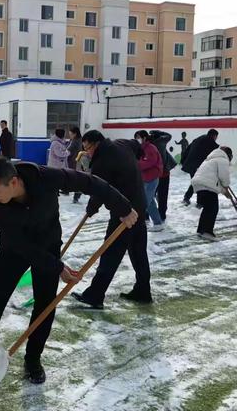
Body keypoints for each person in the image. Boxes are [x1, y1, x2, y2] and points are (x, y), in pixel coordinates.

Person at [0, 155, 137, 384]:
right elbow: (23, 247)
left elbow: (90, 183)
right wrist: (58, 267)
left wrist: (123, 207)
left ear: (14, 182)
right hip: (14, 250)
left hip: (48, 244)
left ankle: (33, 359)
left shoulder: (47, 177)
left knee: (45, 303)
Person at [72, 131, 152, 309]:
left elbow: (100, 190)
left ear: (97, 143)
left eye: (89, 148)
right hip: (139, 205)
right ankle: (143, 290)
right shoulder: (122, 143)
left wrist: (91, 208)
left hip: (124, 213)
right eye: (84, 149)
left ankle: (95, 295)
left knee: (110, 253)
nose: (88, 152)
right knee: (138, 252)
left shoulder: (102, 161)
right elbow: (137, 146)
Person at [191, 146, 233, 241]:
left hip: (199, 184)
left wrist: (225, 192)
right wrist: (226, 186)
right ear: (228, 155)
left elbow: (215, 180)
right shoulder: (222, 160)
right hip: (207, 185)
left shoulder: (210, 159)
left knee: (207, 208)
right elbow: (223, 177)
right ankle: (207, 232)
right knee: (212, 209)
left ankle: (201, 230)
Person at [134, 130, 164, 232]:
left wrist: (135, 164)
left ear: (144, 137)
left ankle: (137, 223)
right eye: (136, 137)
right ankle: (158, 223)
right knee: (149, 202)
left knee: (144, 201)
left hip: (152, 178)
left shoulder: (150, 148)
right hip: (145, 178)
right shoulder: (141, 148)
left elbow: (149, 162)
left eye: (138, 137)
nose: (137, 139)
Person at [181, 129, 219, 206]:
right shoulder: (209, 141)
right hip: (196, 166)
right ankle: (199, 202)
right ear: (214, 136)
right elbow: (215, 150)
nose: (216, 139)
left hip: (190, 164)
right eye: (216, 137)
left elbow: (188, 149)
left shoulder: (199, 138)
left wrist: (183, 161)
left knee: (195, 182)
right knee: (199, 183)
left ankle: (187, 198)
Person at [149, 130, 176, 222]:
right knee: (163, 194)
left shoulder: (150, 144)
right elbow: (169, 135)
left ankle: (147, 214)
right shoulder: (162, 141)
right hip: (164, 173)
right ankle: (162, 214)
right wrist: (158, 131)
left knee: (150, 194)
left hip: (153, 174)